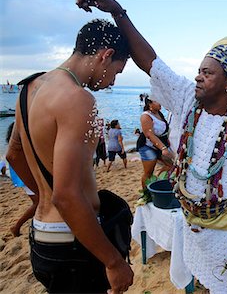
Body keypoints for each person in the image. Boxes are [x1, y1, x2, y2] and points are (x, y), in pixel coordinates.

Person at [77, 0, 227, 293]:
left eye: (207, 72)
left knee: (225, 287)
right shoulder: (187, 100)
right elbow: (151, 63)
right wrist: (118, 12)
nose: (197, 76)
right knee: (197, 278)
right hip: (191, 227)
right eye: (199, 69)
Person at [6, 19, 133, 293]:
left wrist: (42, 197)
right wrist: (113, 262)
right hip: (72, 245)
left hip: (42, 238)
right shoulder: (78, 99)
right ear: (105, 55)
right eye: (117, 71)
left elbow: (13, 154)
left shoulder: (29, 89)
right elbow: (66, 196)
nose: (112, 80)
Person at [6, 122, 39, 237]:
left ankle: (20, 226)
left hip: (25, 175)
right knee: (38, 201)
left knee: (39, 201)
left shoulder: (21, 149)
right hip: (24, 176)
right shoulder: (18, 151)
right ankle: (16, 227)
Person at [137, 97, 174, 194]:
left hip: (159, 144)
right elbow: (149, 134)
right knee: (148, 172)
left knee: (171, 165)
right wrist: (163, 148)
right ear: (149, 104)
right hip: (147, 145)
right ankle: (145, 194)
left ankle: (157, 182)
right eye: (157, 101)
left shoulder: (159, 113)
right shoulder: (145, 116)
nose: (160, 102)